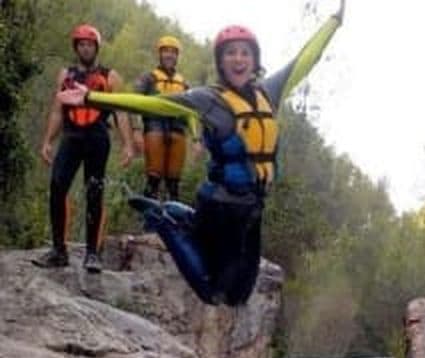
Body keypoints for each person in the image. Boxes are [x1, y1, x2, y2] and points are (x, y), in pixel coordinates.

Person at [57, 2, 344, 305]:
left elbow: (305, 60)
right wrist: (91, 97)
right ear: (221, 60)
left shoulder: (269, 93)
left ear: (254, 59)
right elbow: (153, 105)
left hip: (251, 209)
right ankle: (163, 219)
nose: (238, 59)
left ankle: (184, 217)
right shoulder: (208, 99)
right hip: (219, 205)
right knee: (212, 292)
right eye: (230, 52)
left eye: (245, 52)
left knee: (238, 297)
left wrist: (334, 21)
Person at [35, 23, 134, 273]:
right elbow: (57, 111)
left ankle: (93, 253)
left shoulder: (111, 76)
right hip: (71, 136)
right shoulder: (65, 75)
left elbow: (121, 112)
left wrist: (128, 145)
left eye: (89, 44)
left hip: (98, 137)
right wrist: (48, 140)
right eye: (81, 44)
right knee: (58, 185)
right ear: (76, 48)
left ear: (96, 47)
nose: (85, 48)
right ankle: (59, 250)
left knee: (94, 190)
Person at [134, 35, 194, 202]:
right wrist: (136, 130)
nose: (169, 55)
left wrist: (196, 139)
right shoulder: (148, 77)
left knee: (173, 182)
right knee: (153, 177)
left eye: (173, 52)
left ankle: (172, 220)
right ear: (159, 54)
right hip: (154, 128)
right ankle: (149, 219)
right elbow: (134, 103)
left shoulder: (184, 83)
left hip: (178, 131)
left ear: (177, 56)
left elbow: (192, 112)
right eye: (166, 51)